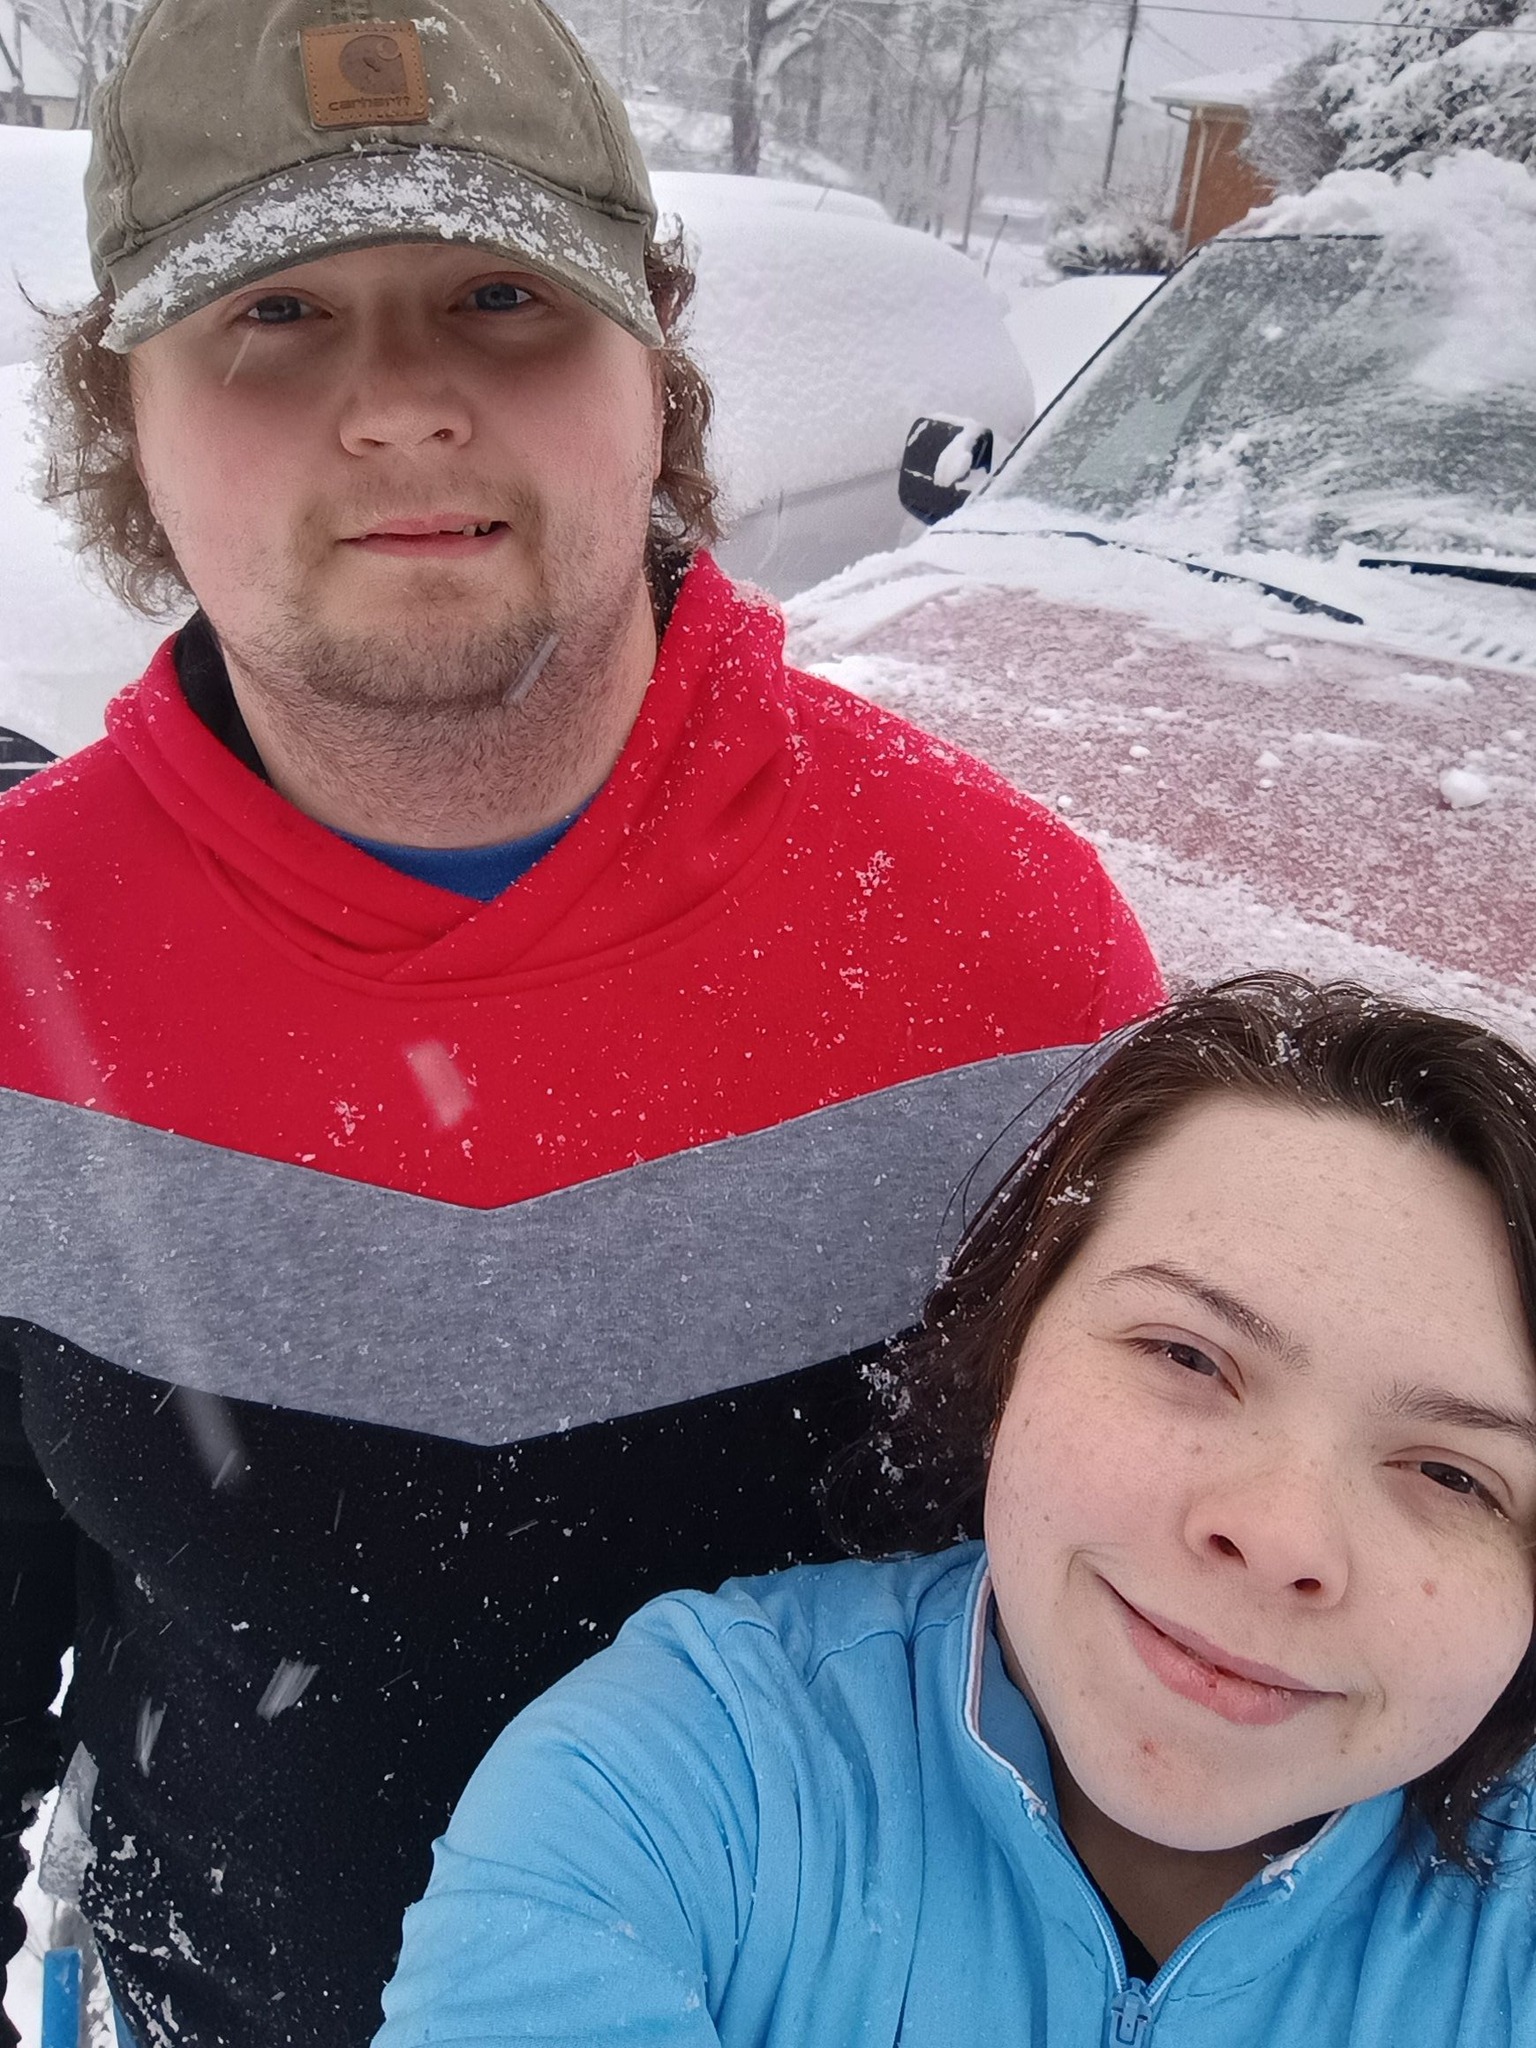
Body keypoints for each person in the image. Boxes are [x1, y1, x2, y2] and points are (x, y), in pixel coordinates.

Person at [0, 0, 1162, 2041]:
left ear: (656, 370)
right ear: (128, 415)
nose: (400, 405)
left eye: (500, 296)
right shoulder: (22, 960)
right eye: (273, 314)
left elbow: (1159, 1690)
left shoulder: (1006, 954)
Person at [376, 973, 1536, 2048]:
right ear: (1014, 1336)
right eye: (1188, 1354)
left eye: (1453, 1474)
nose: (1280, 1535)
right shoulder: (674, 1779)